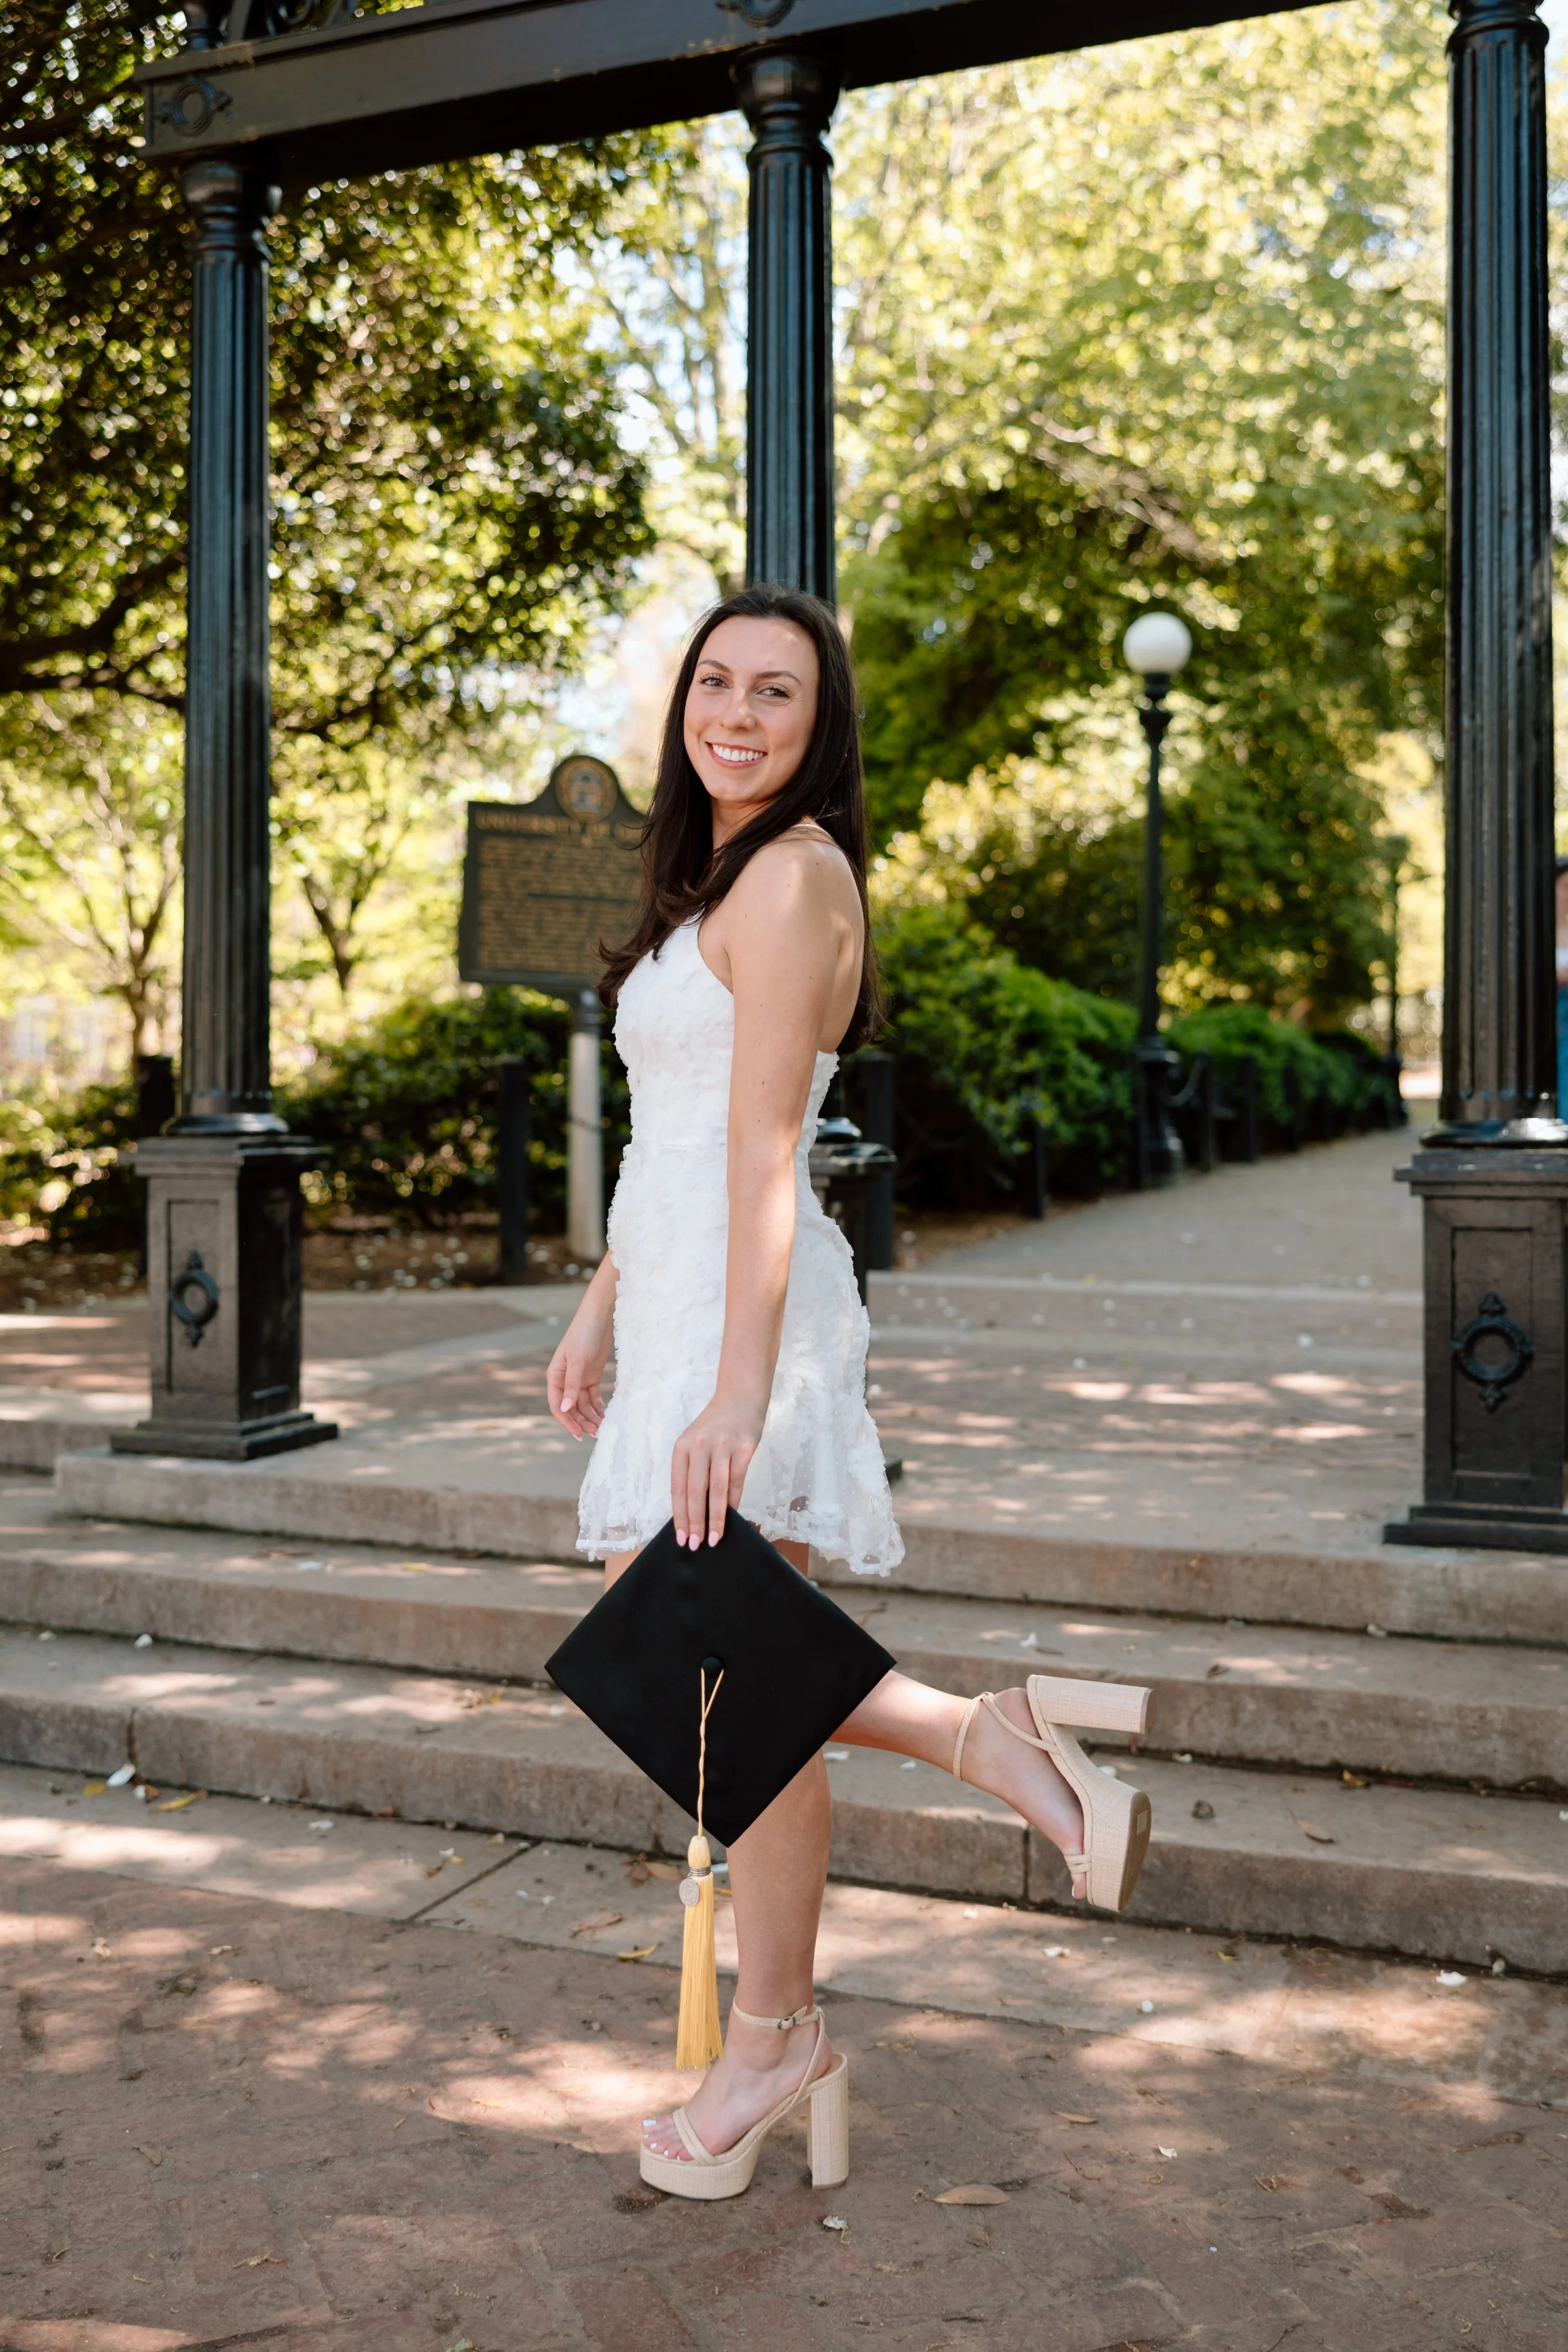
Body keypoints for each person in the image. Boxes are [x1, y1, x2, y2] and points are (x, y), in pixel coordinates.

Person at [546, 586, 1152, 2200]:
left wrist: (733, 1392)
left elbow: (762, 1155)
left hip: (751, 1314)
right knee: (721, 1692)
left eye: (777, 697)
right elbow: (682, 1133)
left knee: (692, 1655)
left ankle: (801, 2001)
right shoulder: (716, 882)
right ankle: (801, 2001)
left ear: (821, 732)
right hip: (679, 1292)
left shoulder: (798, 876)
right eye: (716, 684)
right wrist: (603, 1301)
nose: (736, 716)